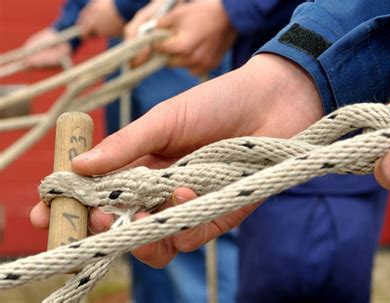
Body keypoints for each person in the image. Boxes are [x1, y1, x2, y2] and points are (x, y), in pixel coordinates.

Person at [31, 0, 390, 301]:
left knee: (290, 272)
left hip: (321, 156)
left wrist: (233, 7)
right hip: (301, 84)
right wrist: (299, 71)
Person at [23, 1, 237, 302]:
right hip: (134, 45)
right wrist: (68, 27)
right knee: (134, 219)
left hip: (176, 36)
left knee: (187, 209)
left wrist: (122, 7)